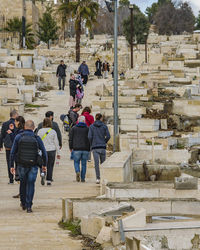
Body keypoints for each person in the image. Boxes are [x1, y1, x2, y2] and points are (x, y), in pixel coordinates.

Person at [10, 120, 47, 213]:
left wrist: (11, 165)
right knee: (31, 184)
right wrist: (44, 165)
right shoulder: (36, 137)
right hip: (33, 164)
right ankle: (29, 206)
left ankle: (23, 203)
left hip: (21, 164)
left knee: (23, 183)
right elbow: (44, 152)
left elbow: (12, 152)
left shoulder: (19, 137)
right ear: (33, 127)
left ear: (24, 127)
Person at [88, 113, 110, 184]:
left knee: (96, 164)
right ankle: (103, 177)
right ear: (101, 118)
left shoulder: (91, 126)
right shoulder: (104, 126)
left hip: (95, 147)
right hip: (102, 147)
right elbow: (108, 136)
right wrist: (104, 141)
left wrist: (91, 144)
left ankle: (98, 178)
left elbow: (89, 137)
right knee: (103, 163)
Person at [38, 118, 60, 186]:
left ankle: (42, 174)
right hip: (51, 150)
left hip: (42, 150)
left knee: (42, 164)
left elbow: (38, 141)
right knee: (50, 165)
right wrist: (58, 153)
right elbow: (56, 142)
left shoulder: (40, 131)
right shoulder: (53, 131)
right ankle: (49, 180)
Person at [69, 116, 90, 182]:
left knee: (76, 162)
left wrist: (71, 147)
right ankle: (83, 178)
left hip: (76, 148)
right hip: (85, 148)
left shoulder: (74, 128)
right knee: (84, 164)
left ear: (78, 121)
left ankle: (77, 171)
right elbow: (89, 139)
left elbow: (70, 139)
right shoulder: (87, 128)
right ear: (84, 121)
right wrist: (89, 148)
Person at [0, 109, 18, 184]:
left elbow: (2, 135)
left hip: (8, 146)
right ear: (15, 115)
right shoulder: (17, 123)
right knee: (17, 162)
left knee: (9, 162)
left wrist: (1, 145)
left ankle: (11, 179)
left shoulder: (5, 124)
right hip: (16, 146)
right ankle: (17, 176)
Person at [10, 116, 25, 198]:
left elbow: (15, 142)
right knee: (21, 176)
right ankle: (22, 192)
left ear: (18, 122)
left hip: (19, 156)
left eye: (15, 122)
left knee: (19, 177)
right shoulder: (22, 130)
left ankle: (23, 192)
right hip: (23, 155)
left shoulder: (19, 131)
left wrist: (11, 133)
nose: (14, 123)